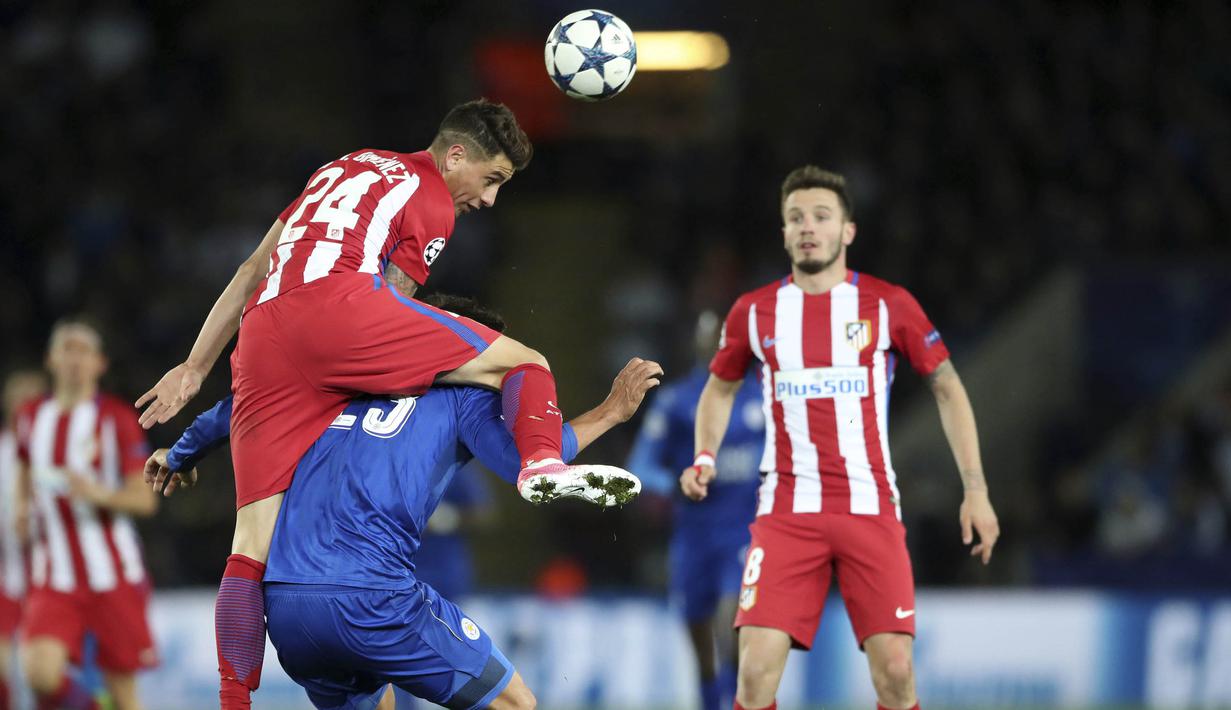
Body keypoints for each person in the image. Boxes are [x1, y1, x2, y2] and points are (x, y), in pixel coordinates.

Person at [134, 100, 640, 708]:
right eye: (493, 179)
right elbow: (393, 306)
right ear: (456, 155)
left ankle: (233, 698)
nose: (489, 200)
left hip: (264, 333)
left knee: (249, 548)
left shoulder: (340, 167)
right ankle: (543, 467)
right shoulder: (428, 197)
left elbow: (251, 267)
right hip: (342, 311)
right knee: (527, 361)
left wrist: (193, 375)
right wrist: (605, 415)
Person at [146, 298, 663, 710]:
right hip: (373, 598)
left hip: (285, 604)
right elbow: (517, 465)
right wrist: (611, 413)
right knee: (514, 703)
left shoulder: (333, 377)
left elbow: (234, 408)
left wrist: (180, 453)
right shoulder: (467, 395)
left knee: (377, 702)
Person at [681, 166, 1001, 710]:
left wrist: (976, 490)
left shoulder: (888, 305)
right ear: (783, 233)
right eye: (796, 218)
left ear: (847, 231)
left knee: (896, 673)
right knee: (754, 672)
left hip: (870, 509)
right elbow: (718, 389)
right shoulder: (754, 312)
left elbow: (949, 390)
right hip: (786, 514)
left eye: (822, 217)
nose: (808, 227)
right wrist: (704, 455)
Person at [12, 320, 159, 710]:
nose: (75, 359)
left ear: (100, 363)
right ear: (51, 359)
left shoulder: (118, 419)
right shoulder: (29, 417)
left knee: (124, 691)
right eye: (67, 349)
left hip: (113, 573)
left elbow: (145, 501)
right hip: (53, 574)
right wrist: (21, 507)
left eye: (84, 351)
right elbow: (25, 466)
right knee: (40, 674)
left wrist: (100, 494)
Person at [626, 312, 763, 710]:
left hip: (743, 533)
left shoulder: (762, 400)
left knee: (729, 619)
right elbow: (641, 465)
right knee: (702, 645)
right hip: (693, 536)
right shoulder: (677, 402)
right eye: (709, 343)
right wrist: (677, 484)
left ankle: (739, 699)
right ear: (697, 348)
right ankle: (711, 700)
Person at [1, 370, 48, 710]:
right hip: (8, 576)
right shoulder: (3, 452)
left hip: (50, 578)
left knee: (48, 674)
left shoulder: (58, 448)